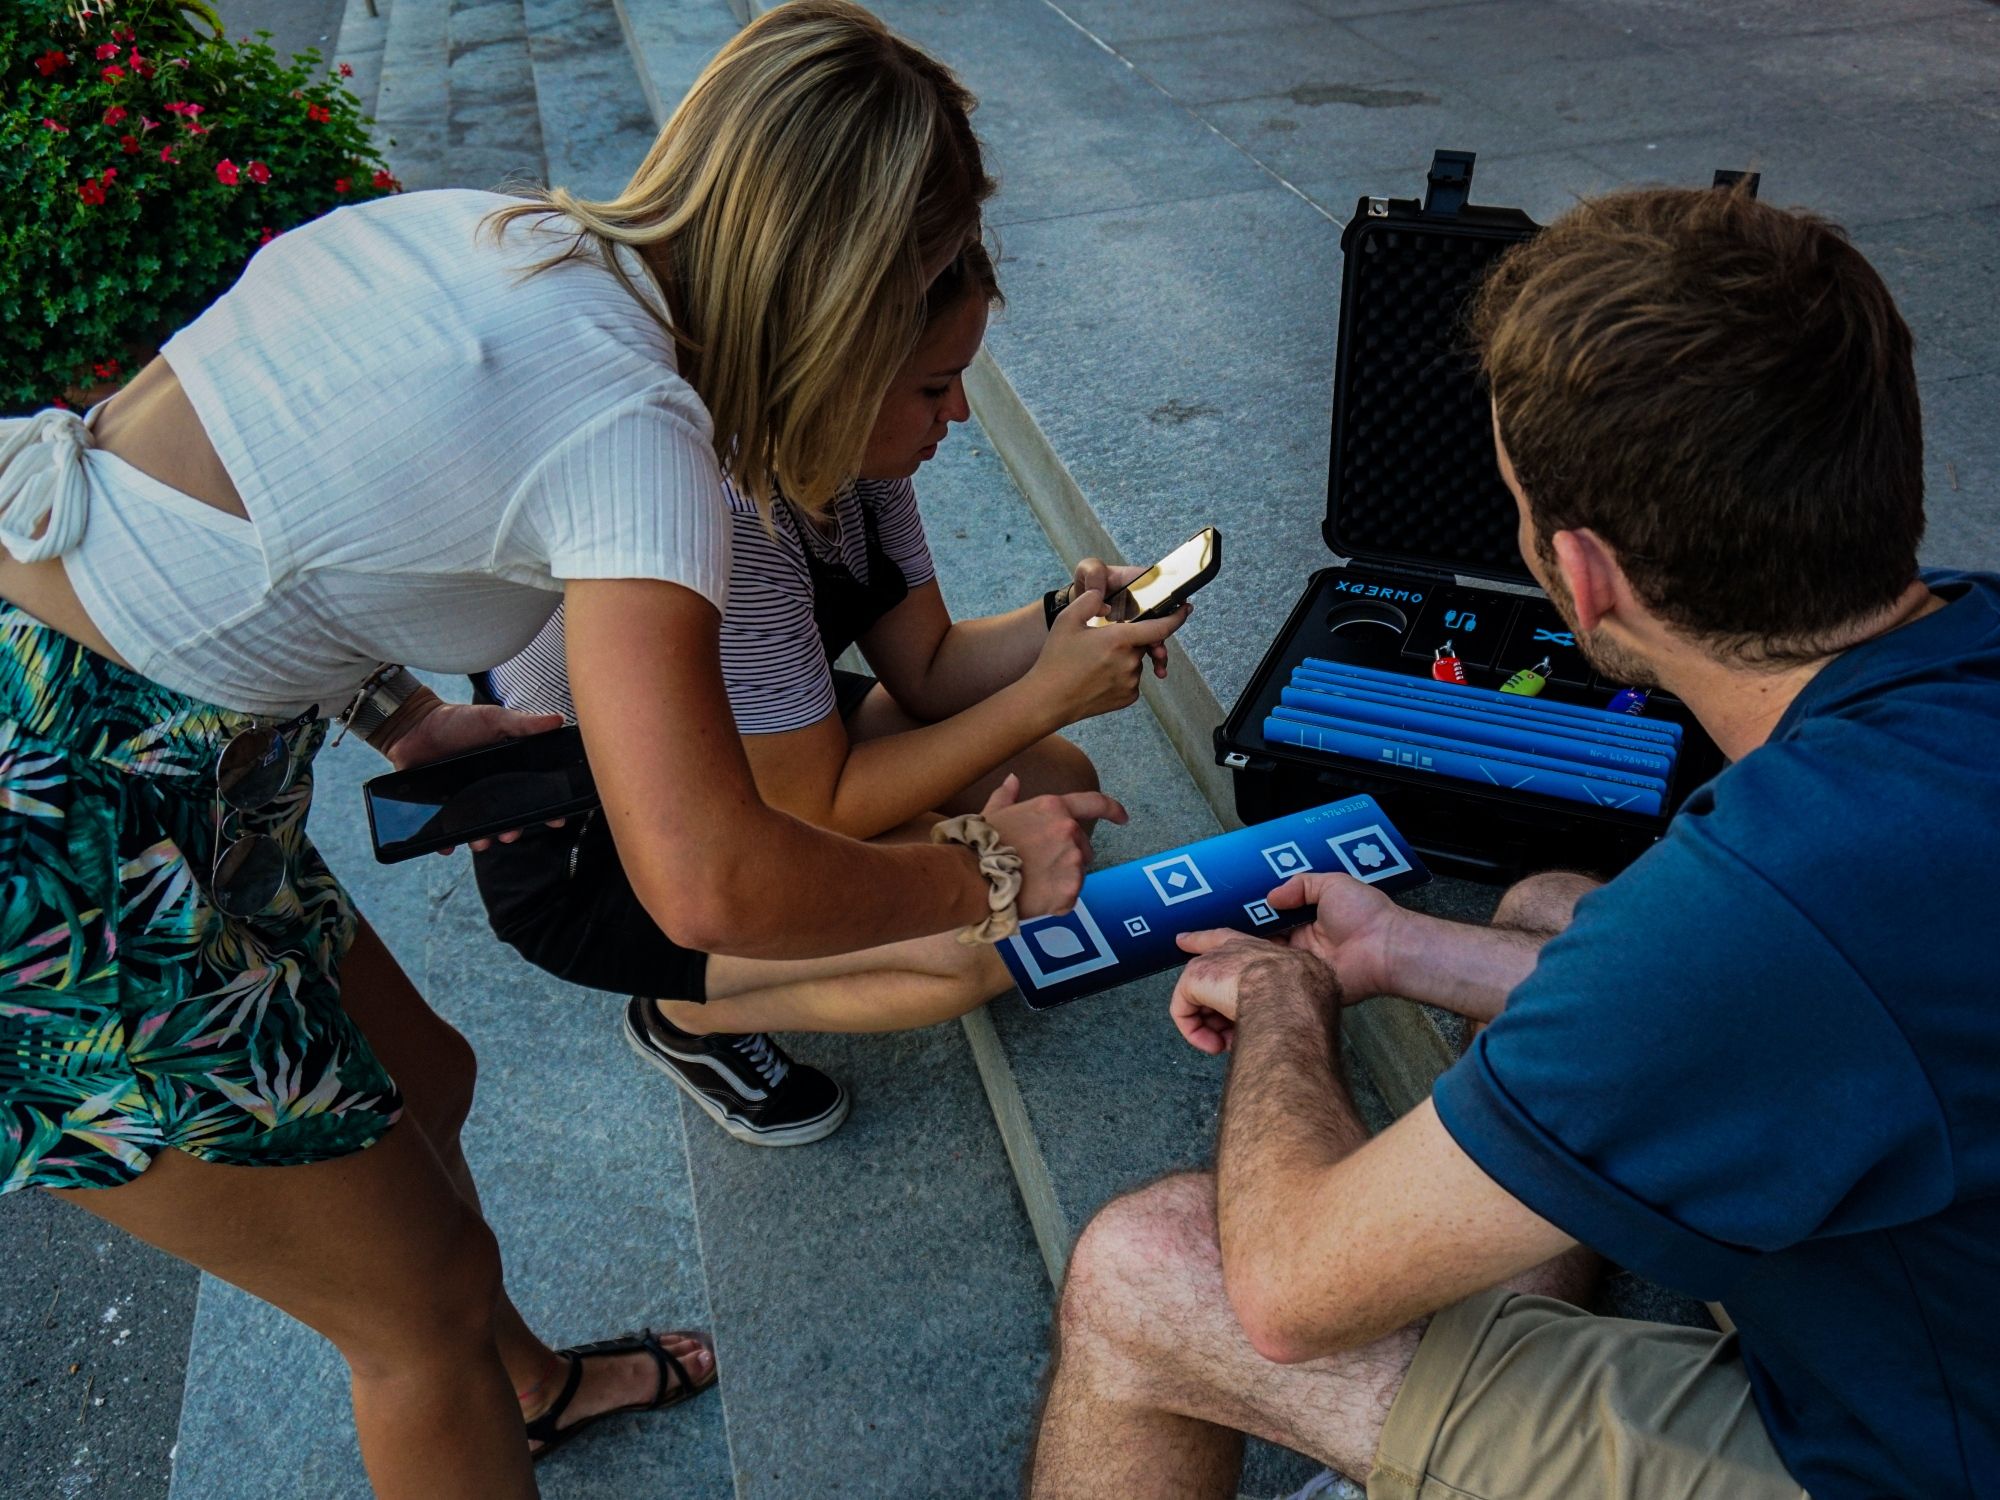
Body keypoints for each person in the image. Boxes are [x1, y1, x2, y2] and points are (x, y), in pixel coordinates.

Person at [0, 5, 1129, 1495]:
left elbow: (245, 501)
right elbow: (713, 879)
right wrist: (986, 874)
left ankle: (518, 1388)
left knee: (432, 1081)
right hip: (61, 832)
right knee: (414, 1322)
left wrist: (397, 712)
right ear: (844, 304)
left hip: (158, 752)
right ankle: (472, 1373)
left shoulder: (495, 238)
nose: (953, 404)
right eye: (923, 359)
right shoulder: (637, 431)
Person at [1027, 185, 1999, 1500]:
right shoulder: (1956, 671)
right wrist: (1406, 944)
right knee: (1550, 902)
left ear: (1582, 578)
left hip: (1912, 1457)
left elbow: (1286, 1290)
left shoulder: (1774, 901)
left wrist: (1284, 994)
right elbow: (1777, 998)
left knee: (1149, 1273)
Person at [471, 241, 1187, 1145]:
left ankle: (797, 941)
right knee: (977, 947)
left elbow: (926, 667)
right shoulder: (733, 517)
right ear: (836, 373)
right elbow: (820, 805)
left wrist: (1065, 618)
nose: (959, 413)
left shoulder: (857, 460)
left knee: (1050, 780)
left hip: (758, 747)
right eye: (935, 387)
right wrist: (1044, 697)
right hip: (596, 851)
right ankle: (682, 1016)